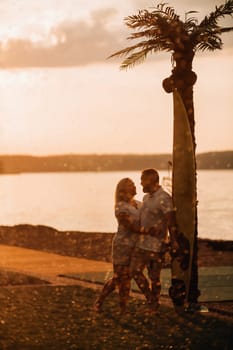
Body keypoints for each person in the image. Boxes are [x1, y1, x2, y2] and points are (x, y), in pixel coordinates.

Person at [129, 168, 183, 313]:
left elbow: (171, 222)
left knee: (154, 278)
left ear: (151, 180)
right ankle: (150, 298)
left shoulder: (164, 198)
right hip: (142, 244)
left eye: (143, 180)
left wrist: (174, 241)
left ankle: (154, 304)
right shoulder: (146, 198)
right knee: (135, 271)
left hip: (156, 246)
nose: (140, 183)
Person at [93, 177, 143, 314]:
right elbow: (128, 225)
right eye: (131, 184)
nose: (134, 185)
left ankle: (119, 307)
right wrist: (146, 231)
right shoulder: (120, 206)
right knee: (120, 278)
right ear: (123, 191)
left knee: (125, 277)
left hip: (135, 246)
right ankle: (118, 307)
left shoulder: (139, 204)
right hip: (122, 246)